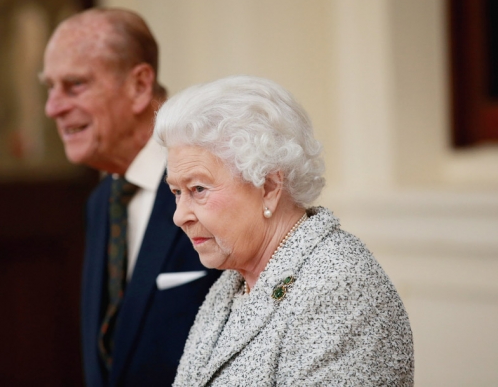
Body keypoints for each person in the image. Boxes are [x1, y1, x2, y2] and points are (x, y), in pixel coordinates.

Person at [154, 75, 415, 386]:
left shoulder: (338, 286)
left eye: (198, 188)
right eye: (175, 192)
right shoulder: (233, 285)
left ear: (269, 186)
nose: (179, 215)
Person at [40, 8, 221, 387]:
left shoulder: (216, 183)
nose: (52, 107)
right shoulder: (103, 201)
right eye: (50, 87)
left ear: (139, 85)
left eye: (74, 85)